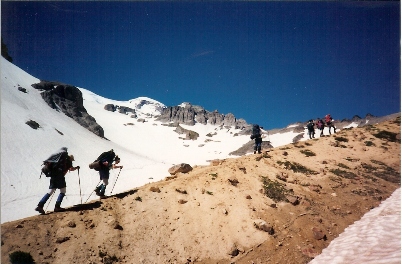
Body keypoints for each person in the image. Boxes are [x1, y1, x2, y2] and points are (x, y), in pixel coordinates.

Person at [35, 147, 79, 213]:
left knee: (50, 191)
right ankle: (57, 207)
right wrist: (76, 168)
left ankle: (40, 206)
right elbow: (71, 169)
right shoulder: (67, 160)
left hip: (53, 176)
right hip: (60, 176)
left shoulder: (57, 159)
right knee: (63, 191)